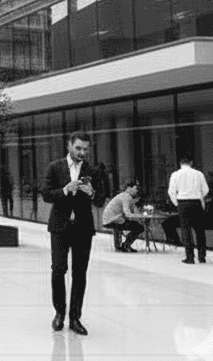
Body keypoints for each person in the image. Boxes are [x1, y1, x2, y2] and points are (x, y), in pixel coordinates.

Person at [42, 131, 96, 336]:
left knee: (80, 273)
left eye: (85, 149)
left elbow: (100, 198)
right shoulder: (55, 167)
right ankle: (59, 313)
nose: (82, 152)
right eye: (78, 148)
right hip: (60, 227)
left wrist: (91, 192)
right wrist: (65, 189)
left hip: (83, 228)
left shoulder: (92, 169)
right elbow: (46, 194)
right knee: (58, 270)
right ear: (69, 146)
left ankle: (75, 317)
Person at [168, 153, 210, 265]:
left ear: (180, 163)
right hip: (196, 202)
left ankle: (189, 257)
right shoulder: (199, 174)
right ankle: (202, 256)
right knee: (200, 230)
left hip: (183, 202)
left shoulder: (175, 174)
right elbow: (205, 190)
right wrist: (199, 197)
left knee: (186, 230)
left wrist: (177, 203)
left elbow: (171, 191)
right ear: (191, 163)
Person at [100, 179, 142, 252]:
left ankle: (122, 246)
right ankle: (126, 245)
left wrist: (136, 212)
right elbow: (128, 213)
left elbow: (133, 211)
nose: (137, 191)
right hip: (113, 220)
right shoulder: (126, 196)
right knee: (139, 227)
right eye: (135, 188)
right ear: (129, 188)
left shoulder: (124, 196)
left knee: (134, 225)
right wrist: (139, 216)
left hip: (108, 219)